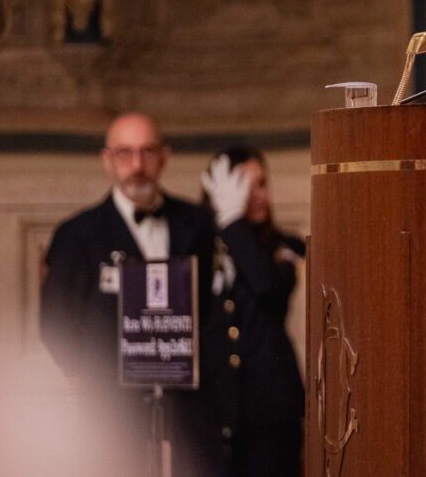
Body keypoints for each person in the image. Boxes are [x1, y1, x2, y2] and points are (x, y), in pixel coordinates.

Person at [39, 112, 216, 476]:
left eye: (147, 152)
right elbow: (55, 321)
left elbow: (212, 311)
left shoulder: (197, 224)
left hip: (187, 412)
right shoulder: (77, 234)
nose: (137, 165)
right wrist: (92, 378)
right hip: (110, 415)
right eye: (125, 153)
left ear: (164, 156)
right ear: (107, 160)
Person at [199, 145, 305, 477]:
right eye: (244, 186)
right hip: (213, 411)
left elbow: (269, 287)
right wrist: (217, 225)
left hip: (271, 412)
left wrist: (233, 224)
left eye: (261, 183)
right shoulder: (199, 249)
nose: (257, 195)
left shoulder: (286, 247)